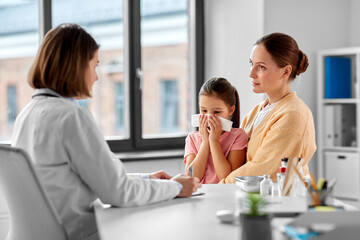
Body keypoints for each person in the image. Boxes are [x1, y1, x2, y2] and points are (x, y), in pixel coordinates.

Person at [11, 23, 201, 240]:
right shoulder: (71, 117)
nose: (96, 77)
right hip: (75, 233)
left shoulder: (27, 114)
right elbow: (118, 193)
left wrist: (148, 178)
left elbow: (84, 178)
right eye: (94, 66)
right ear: (76, 66)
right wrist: (175, 187)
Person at [220, 32, 316, 183]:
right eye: (252, 64)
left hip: (281, 202)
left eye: (262, 67)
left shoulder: (293, 115)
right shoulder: (257, 111)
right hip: (252, 198)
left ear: (286, 71)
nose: (251, 73)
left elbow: (261, 169)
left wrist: (217, 187)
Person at [184, 77, 248, 183]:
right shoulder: (192, 138)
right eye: (204, 110)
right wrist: (205, 142)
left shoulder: (238, 136)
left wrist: (214, 141)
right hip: (199, 195)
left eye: (217, 112)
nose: (209, 117)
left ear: (231, 110)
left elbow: (226, 176)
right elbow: (191, 177)